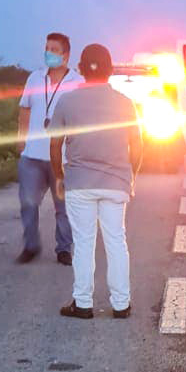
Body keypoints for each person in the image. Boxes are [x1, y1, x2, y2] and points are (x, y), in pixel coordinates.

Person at [49, 43, 141, 319]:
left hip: (80, 183)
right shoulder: (125, 103)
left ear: (80, 69)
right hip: (115, 182)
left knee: (84, 243)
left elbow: (55, 145)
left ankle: (83, 303)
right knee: (116, 242)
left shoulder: (66, 101)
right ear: (111, 70)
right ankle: (121, 304)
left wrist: (59, 177)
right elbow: (137, 145)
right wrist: (131, 175)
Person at [16, 32, 81, 265]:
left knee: (63, 206)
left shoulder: (77, 83)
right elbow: (24, 108)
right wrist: (20, 137)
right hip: (32, 155)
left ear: (66, 55)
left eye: (54, 50)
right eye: (47, 48)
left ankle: (64, 249)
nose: (49, 53)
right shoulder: (35, 78)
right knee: (28, 202)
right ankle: (30, 245)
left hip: (63, 158)